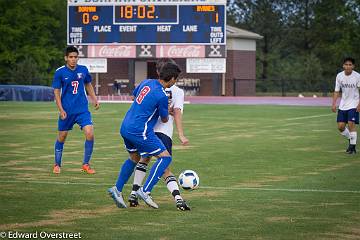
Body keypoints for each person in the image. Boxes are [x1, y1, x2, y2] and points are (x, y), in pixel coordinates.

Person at [108, 62, 181, 209]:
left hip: (125, 126)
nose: (176, 82)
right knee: (165, 158)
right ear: (172, 78)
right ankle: (145, 190)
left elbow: (135, 97)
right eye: (176, 79)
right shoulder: (161, 95)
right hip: (139, 131)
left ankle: (117, 189)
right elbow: (165, 119)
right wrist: (168, 110)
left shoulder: (146, 82)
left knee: (134, 158)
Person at [128, 59, 190, 211]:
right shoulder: (177, 91)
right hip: (163, 132)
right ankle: (178, 198)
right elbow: (177, 113)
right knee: (164, 164)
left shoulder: (148, 84)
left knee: (144, 159)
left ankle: (133, 193)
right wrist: (181, 134)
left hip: (145, 130)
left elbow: (135, 99)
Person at [52, 46, 100, 174]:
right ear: (66, 58)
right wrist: (61, 109)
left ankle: (86, 164)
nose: (73, 59)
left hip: (82, 110)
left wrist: (94, 99)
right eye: (71, 57)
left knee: (90, 133)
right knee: (62, 137)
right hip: (67, 111)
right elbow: (56, 92)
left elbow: (88, 84)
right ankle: (57, 164)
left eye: (75, 57)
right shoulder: (60, 72)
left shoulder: (83, 70)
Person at [332, 57, 360, 154]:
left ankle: (352, 147)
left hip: (354, 103)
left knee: (351, 123)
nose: (348, 66)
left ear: (353, 66)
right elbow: (336, 91)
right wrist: (334, 104)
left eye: (350, 65)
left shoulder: (357, 76)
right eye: (346, 64)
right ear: (343, 66)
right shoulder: (339, 76)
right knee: (340, 127)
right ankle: (350, 139)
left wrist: (359, 104)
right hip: (343, 105)